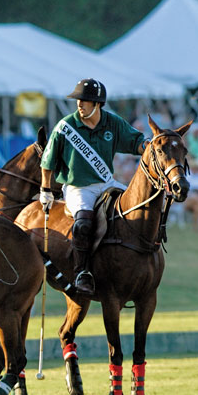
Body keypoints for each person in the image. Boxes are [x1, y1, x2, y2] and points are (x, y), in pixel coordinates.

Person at [39, 78, 148, 294]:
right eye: (79, 99)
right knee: (83, 224)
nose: (80, 104)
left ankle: (138, 262)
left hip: (107, 183)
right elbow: (47, 162)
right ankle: (82, 272)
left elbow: (136, 142)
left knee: (137, 211)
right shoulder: (65, 126)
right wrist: (45, 190)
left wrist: (150, 146)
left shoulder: (112, 122)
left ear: (97, 104)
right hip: (77, 187)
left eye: (85, 100)